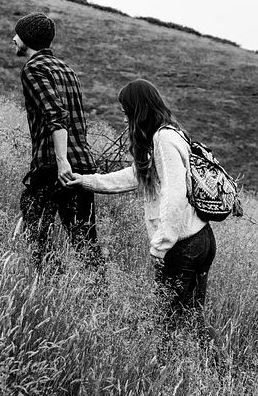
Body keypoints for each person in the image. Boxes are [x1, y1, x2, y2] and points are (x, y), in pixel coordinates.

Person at [67, 79, 216, 328]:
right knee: (191, 321)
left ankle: (168, 366)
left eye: (127, 113)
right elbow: (133, 176)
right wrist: (85, 181)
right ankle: (212, 367)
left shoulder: (164, 140)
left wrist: (161, 244)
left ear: (139, 111)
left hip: (184, 244)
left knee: (165, 323)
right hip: (198, 238)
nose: (125, 120)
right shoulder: (169, 135)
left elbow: (175, 194)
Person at [13, 12, 102, 270]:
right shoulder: (67, 70)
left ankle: (51, 283)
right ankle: (98, 298)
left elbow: (56, 116)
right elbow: (76, 120)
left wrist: (62, 161)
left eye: (17, 35)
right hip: (82, 164)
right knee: (85, 242)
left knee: (35, 226)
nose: (13, 39)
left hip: (54, 165)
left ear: (28, 38)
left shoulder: (33, 68)